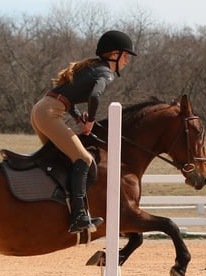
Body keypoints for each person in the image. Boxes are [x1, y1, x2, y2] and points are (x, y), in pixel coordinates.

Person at [30, 30, 137, 233]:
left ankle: (53, 206)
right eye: (125, 56)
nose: (127, 61)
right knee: (84, 159)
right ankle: (78, 216)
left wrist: (79, 117)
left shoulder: (92, 67)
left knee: (59, 159)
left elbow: (66, 96)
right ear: (113, 55)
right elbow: (95, 97)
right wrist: (91, 121)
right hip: (50, 112)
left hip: (42, 108)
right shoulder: (105, 73)